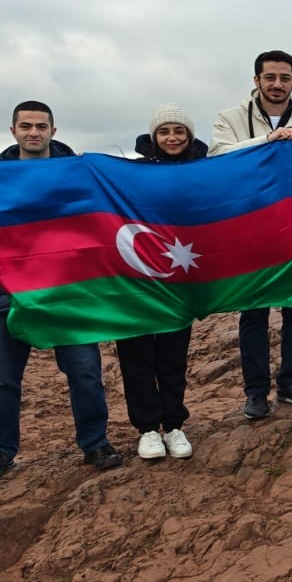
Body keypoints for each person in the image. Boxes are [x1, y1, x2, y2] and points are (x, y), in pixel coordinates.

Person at [0, 102, 122, 480]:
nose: (33, 132)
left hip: (68, 291)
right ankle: (1, 450)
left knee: (85, 371)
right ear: (13, 131)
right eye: (26, 125)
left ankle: (95, 443)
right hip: (8, 292)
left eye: (41, 126)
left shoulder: (77, 174)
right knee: (4, 378)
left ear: (53, 131)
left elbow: (111, 212)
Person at [210, 49, 292, 420]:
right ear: (256, 81)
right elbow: (219, 157)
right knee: (254, 313)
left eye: (284, 78)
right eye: (270, 77)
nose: (277, 84)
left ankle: (290, 382)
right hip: (251, 226)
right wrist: (268, 141)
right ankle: (255, 392)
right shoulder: (231, 118)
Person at [116, 103, 208, 461]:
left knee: (172, 355)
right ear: (154, 136)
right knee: (136, 355)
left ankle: (174, 425)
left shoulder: (202, 170)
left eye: (179, 131)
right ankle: (147, 430)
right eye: (165, 132)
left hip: (177, 277)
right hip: (134, 276)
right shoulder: (131, 172)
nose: (172, 138)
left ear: (189, 136)